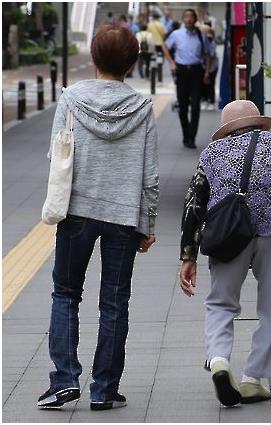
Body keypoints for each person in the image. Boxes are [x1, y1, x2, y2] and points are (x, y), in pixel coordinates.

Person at [37, 22, 159, 410]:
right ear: (134, 63)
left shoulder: (71, 99)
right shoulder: (141, 107)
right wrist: (148, 223)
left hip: (76, 210)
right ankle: (104, 389)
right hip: (124, 215)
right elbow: (150, 176)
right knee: (114, 301)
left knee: (66, 292)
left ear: (93, 57)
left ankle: (64, 380)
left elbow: (56, 156)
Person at [179, 100, 271, 406]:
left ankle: (219, 359)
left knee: (221, 302)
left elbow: (193, 205)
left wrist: (188, 256)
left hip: (228, 235)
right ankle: (252, 379)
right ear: (257, 123)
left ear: (227, 129)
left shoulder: (211, 154)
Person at [163, 8, 211, 149]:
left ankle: (192, 137)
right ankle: (186, 134)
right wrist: (171, 63)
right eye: (186, 17)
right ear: (183, 19)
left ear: (195, 20)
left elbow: (208, 54)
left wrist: (207, 73)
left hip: (197, 71)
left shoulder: (201, 35)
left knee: (195, 105)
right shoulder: (176, 34)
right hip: (182, 71)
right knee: (182, 106)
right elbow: (165, 47)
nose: (189, 19)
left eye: (191, 17)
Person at [201, 28, 218, 111]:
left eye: (208, 33)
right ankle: (204, 100)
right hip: (204, 67)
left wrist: (208, 71)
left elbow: (210, 55)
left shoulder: (212, 42)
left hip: (212, 67)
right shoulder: (201, 41)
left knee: (211, 84)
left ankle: (211, 101)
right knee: (203, 84)